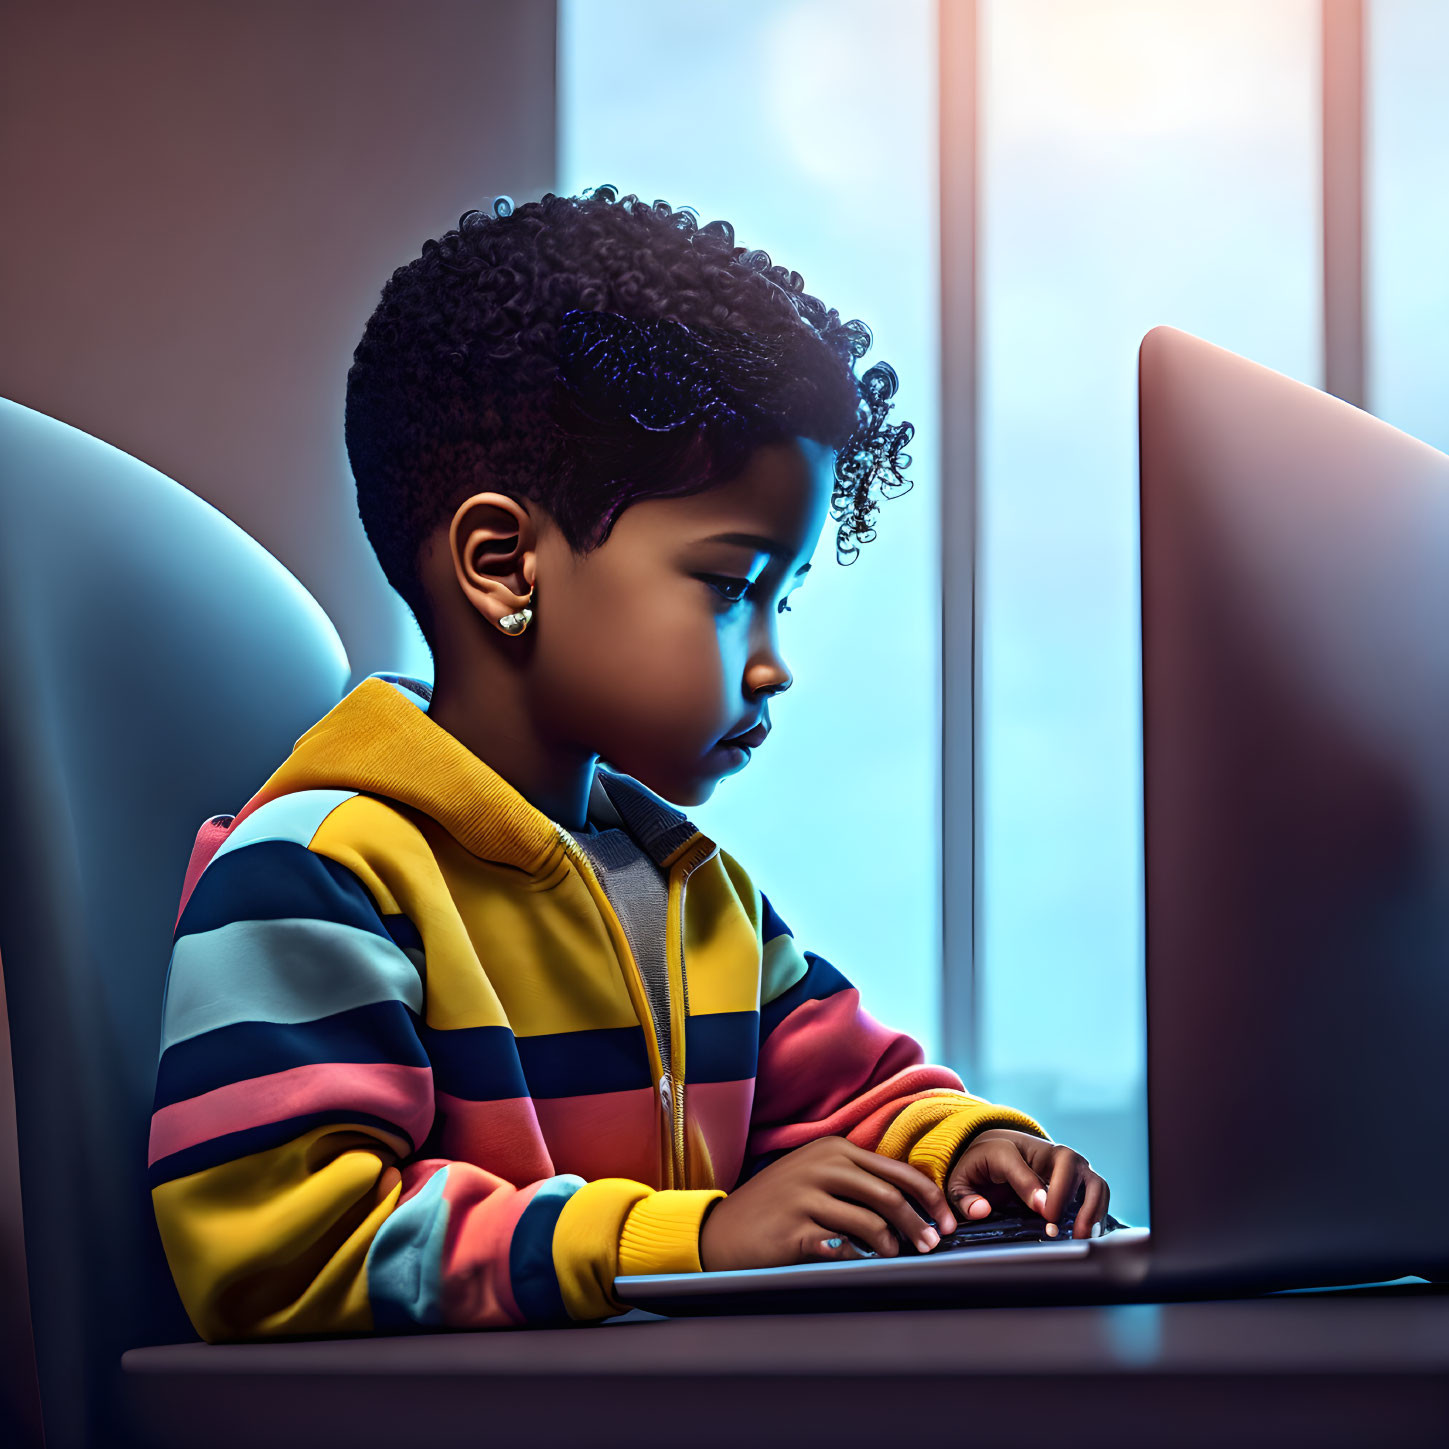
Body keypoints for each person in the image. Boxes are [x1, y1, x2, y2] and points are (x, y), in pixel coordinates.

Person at [148, 185, 1110, 1343]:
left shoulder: (695, 893)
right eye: (730, 587)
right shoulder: (320, 879)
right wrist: (687, 1246)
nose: (771, 666)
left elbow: (855, 1097)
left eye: (784, 599)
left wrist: (977, 1153)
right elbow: (281, 1249)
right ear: (505, 562)